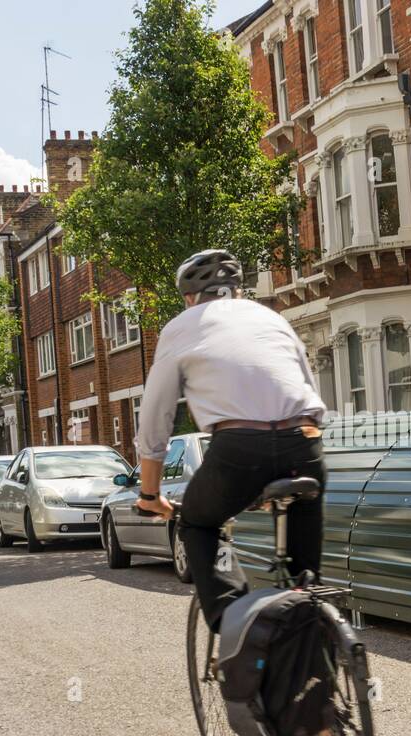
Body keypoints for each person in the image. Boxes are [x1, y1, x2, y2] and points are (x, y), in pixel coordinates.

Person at [134, 249, 328, 633]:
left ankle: (237, 626)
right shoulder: (273, 318)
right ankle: (313, 643)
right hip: (305, 442)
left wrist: (150, 494)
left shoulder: (181, 327)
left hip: (240, 448)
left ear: (190, 298)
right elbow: (307, 383)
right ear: (237, 291)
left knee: (196, 523)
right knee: (306, 578)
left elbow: (156, 417)